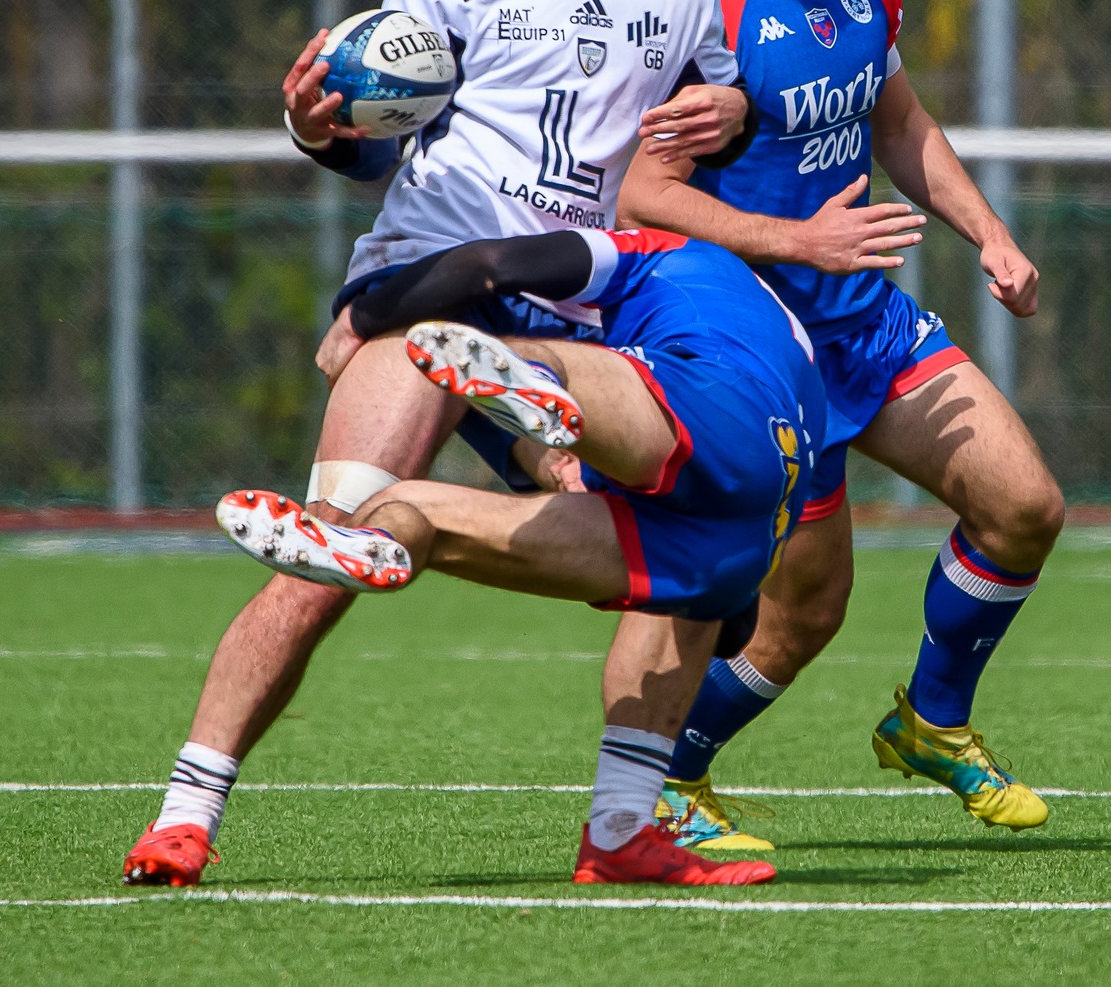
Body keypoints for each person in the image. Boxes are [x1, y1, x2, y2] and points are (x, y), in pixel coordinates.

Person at [122, 0, 755, 887]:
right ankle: (184, 812)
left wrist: (732, 118)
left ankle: (619, 829)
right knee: (328, 549)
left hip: (573, 312)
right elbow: (375, 140)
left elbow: (689, 157)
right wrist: (320, 131)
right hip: (424, 290)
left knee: (707, 546)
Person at [616, 0, 1065, 848]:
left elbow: (903, 129)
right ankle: (666, 776)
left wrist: (990, 236)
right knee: (801, 616)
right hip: (758, 349)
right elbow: (639, 189)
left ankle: (932, 720)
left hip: (865, 321)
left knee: (1025, 506)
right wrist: (797, 241)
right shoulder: (698, 5)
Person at [212, 225, 823, 885]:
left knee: (566, 365)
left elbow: (486, 263)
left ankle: (533, 376)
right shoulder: (790, 344)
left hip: (724, 411)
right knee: (444, 522)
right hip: (738, 545)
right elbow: (737, 627)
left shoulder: (668, 254)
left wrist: (362, 315)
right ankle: (619, 832)